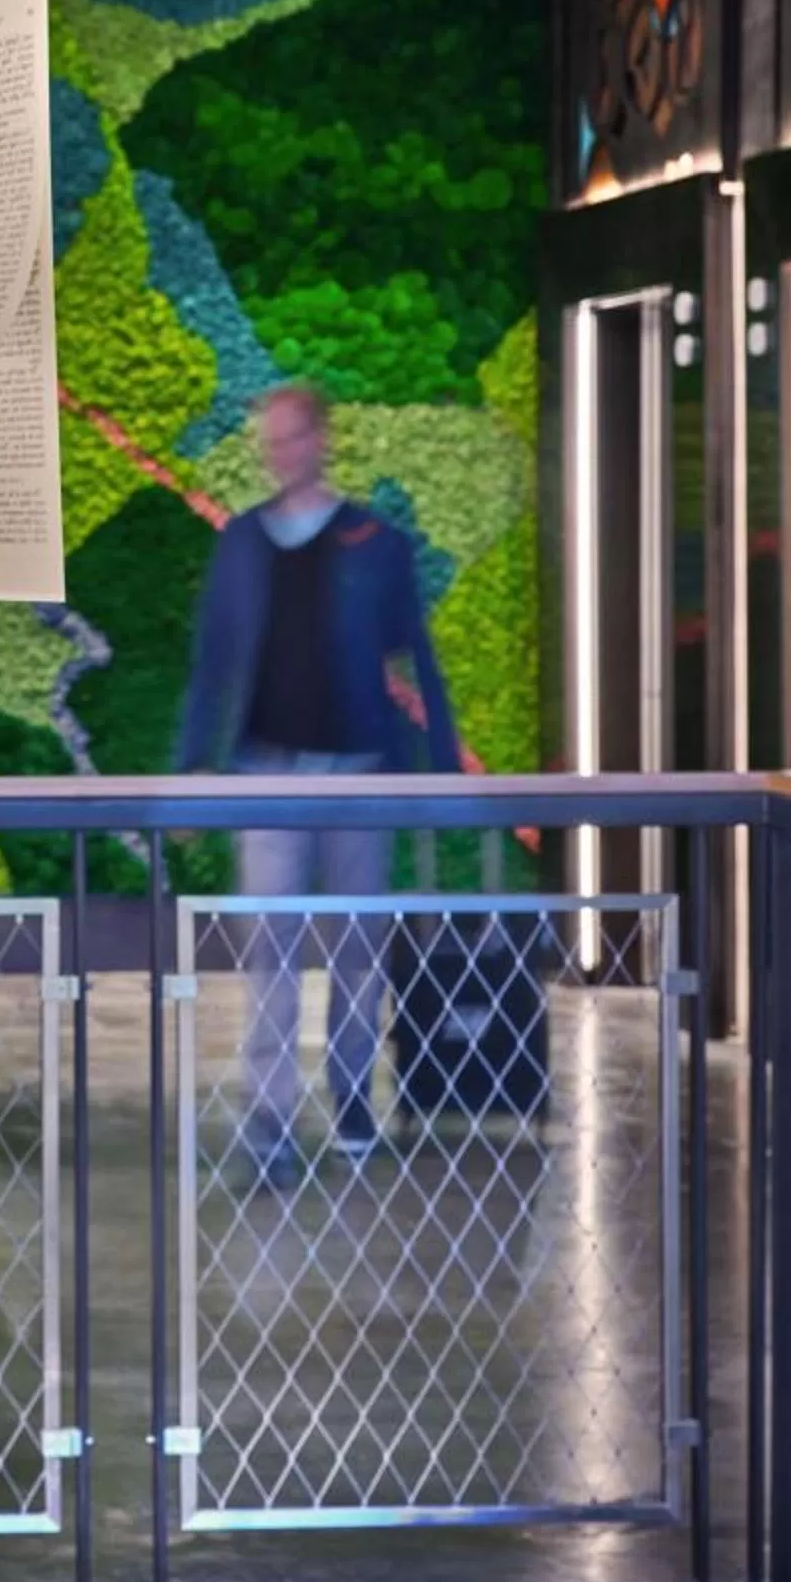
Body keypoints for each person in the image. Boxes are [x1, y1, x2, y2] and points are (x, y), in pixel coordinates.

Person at [177, 384, 459, 1186]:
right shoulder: (241, 544)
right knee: (270, 946)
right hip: (264, 776)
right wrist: (194, 768)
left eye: (294, 435)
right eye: (272, 438)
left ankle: (352, 1098)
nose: (282, 450)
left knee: (358, 949)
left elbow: (415, 664)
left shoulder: (377, 544)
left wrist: (438, 770)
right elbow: (214, 664)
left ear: (321, 440)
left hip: (360, 775)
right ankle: (270, 1117)